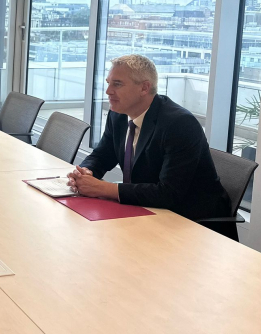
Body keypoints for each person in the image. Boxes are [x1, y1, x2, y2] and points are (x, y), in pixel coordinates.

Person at [67, 54, 231, 222]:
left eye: (117, 84)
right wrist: (86, 172)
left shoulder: (179, 123)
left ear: (144, 88)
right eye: (109, 83)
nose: (108, 91)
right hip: (145, 209)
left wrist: (103, 188)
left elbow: (168, 193)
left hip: (190, 220)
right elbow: (102, 155)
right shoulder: (118, 114)